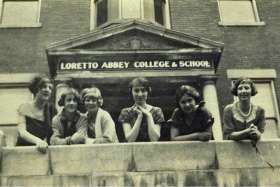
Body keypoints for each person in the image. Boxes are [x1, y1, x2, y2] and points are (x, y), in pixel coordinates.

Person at [17, 75, 56, 153]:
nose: (47, 90)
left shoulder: (51, 109)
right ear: (36, 89)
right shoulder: (24, 107)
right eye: (44, 87)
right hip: (23, 150)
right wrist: (38, 141)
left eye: (50, 88)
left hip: (42, 150)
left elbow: (55, 131)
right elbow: (22, 132)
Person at [118, 77, 165, 142]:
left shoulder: (157, 111)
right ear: (131, 92)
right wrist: (139, 117)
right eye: (136, 91)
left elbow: (154, 139)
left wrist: (149, 115)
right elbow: (130, 139)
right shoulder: (126, 112)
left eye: (143, 90)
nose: (140, 94)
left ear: (148, 91)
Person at [223, 78, 265, 142]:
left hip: (252, 148)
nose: (243, 91)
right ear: (236, 92)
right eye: (240, 89)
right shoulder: (228, 110)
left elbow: (260, 133)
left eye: (246, 88)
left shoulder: (260, 111)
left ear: (252, 90)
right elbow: (229, 135)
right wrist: (247, 131)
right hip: (233, 149)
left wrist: (256, 133)